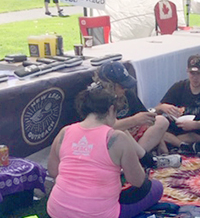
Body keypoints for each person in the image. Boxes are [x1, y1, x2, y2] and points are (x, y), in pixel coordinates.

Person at [47, 84, 163, 217]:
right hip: (97, 214)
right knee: (156, 187)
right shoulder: (116, 138)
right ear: (111, 109)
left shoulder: (65, 132)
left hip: (56, 210)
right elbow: (137, 181)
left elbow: (53, 170)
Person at [95, 62, 172, 159]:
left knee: (161, 121)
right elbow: (104, 127)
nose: (125, 89)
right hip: (110, 139)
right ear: (109, 85)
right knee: (121, 134)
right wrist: (134, 120)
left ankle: (138, 156)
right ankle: (138, 158)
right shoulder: (97, 100)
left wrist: (160, 142)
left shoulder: (127, 94)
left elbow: (149, 119)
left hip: (134, 137)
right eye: (122, 86)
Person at [155, 54, 200, 154]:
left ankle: (171, 142)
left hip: (199, 126)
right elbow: (156, 110)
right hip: (178, 125)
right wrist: (163, 107)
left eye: (198, 73)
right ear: (187, 71)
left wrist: (194, 125)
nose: (195, 77)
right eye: (192, 73)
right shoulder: (179, 86)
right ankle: (183, 145)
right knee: (158, 126)